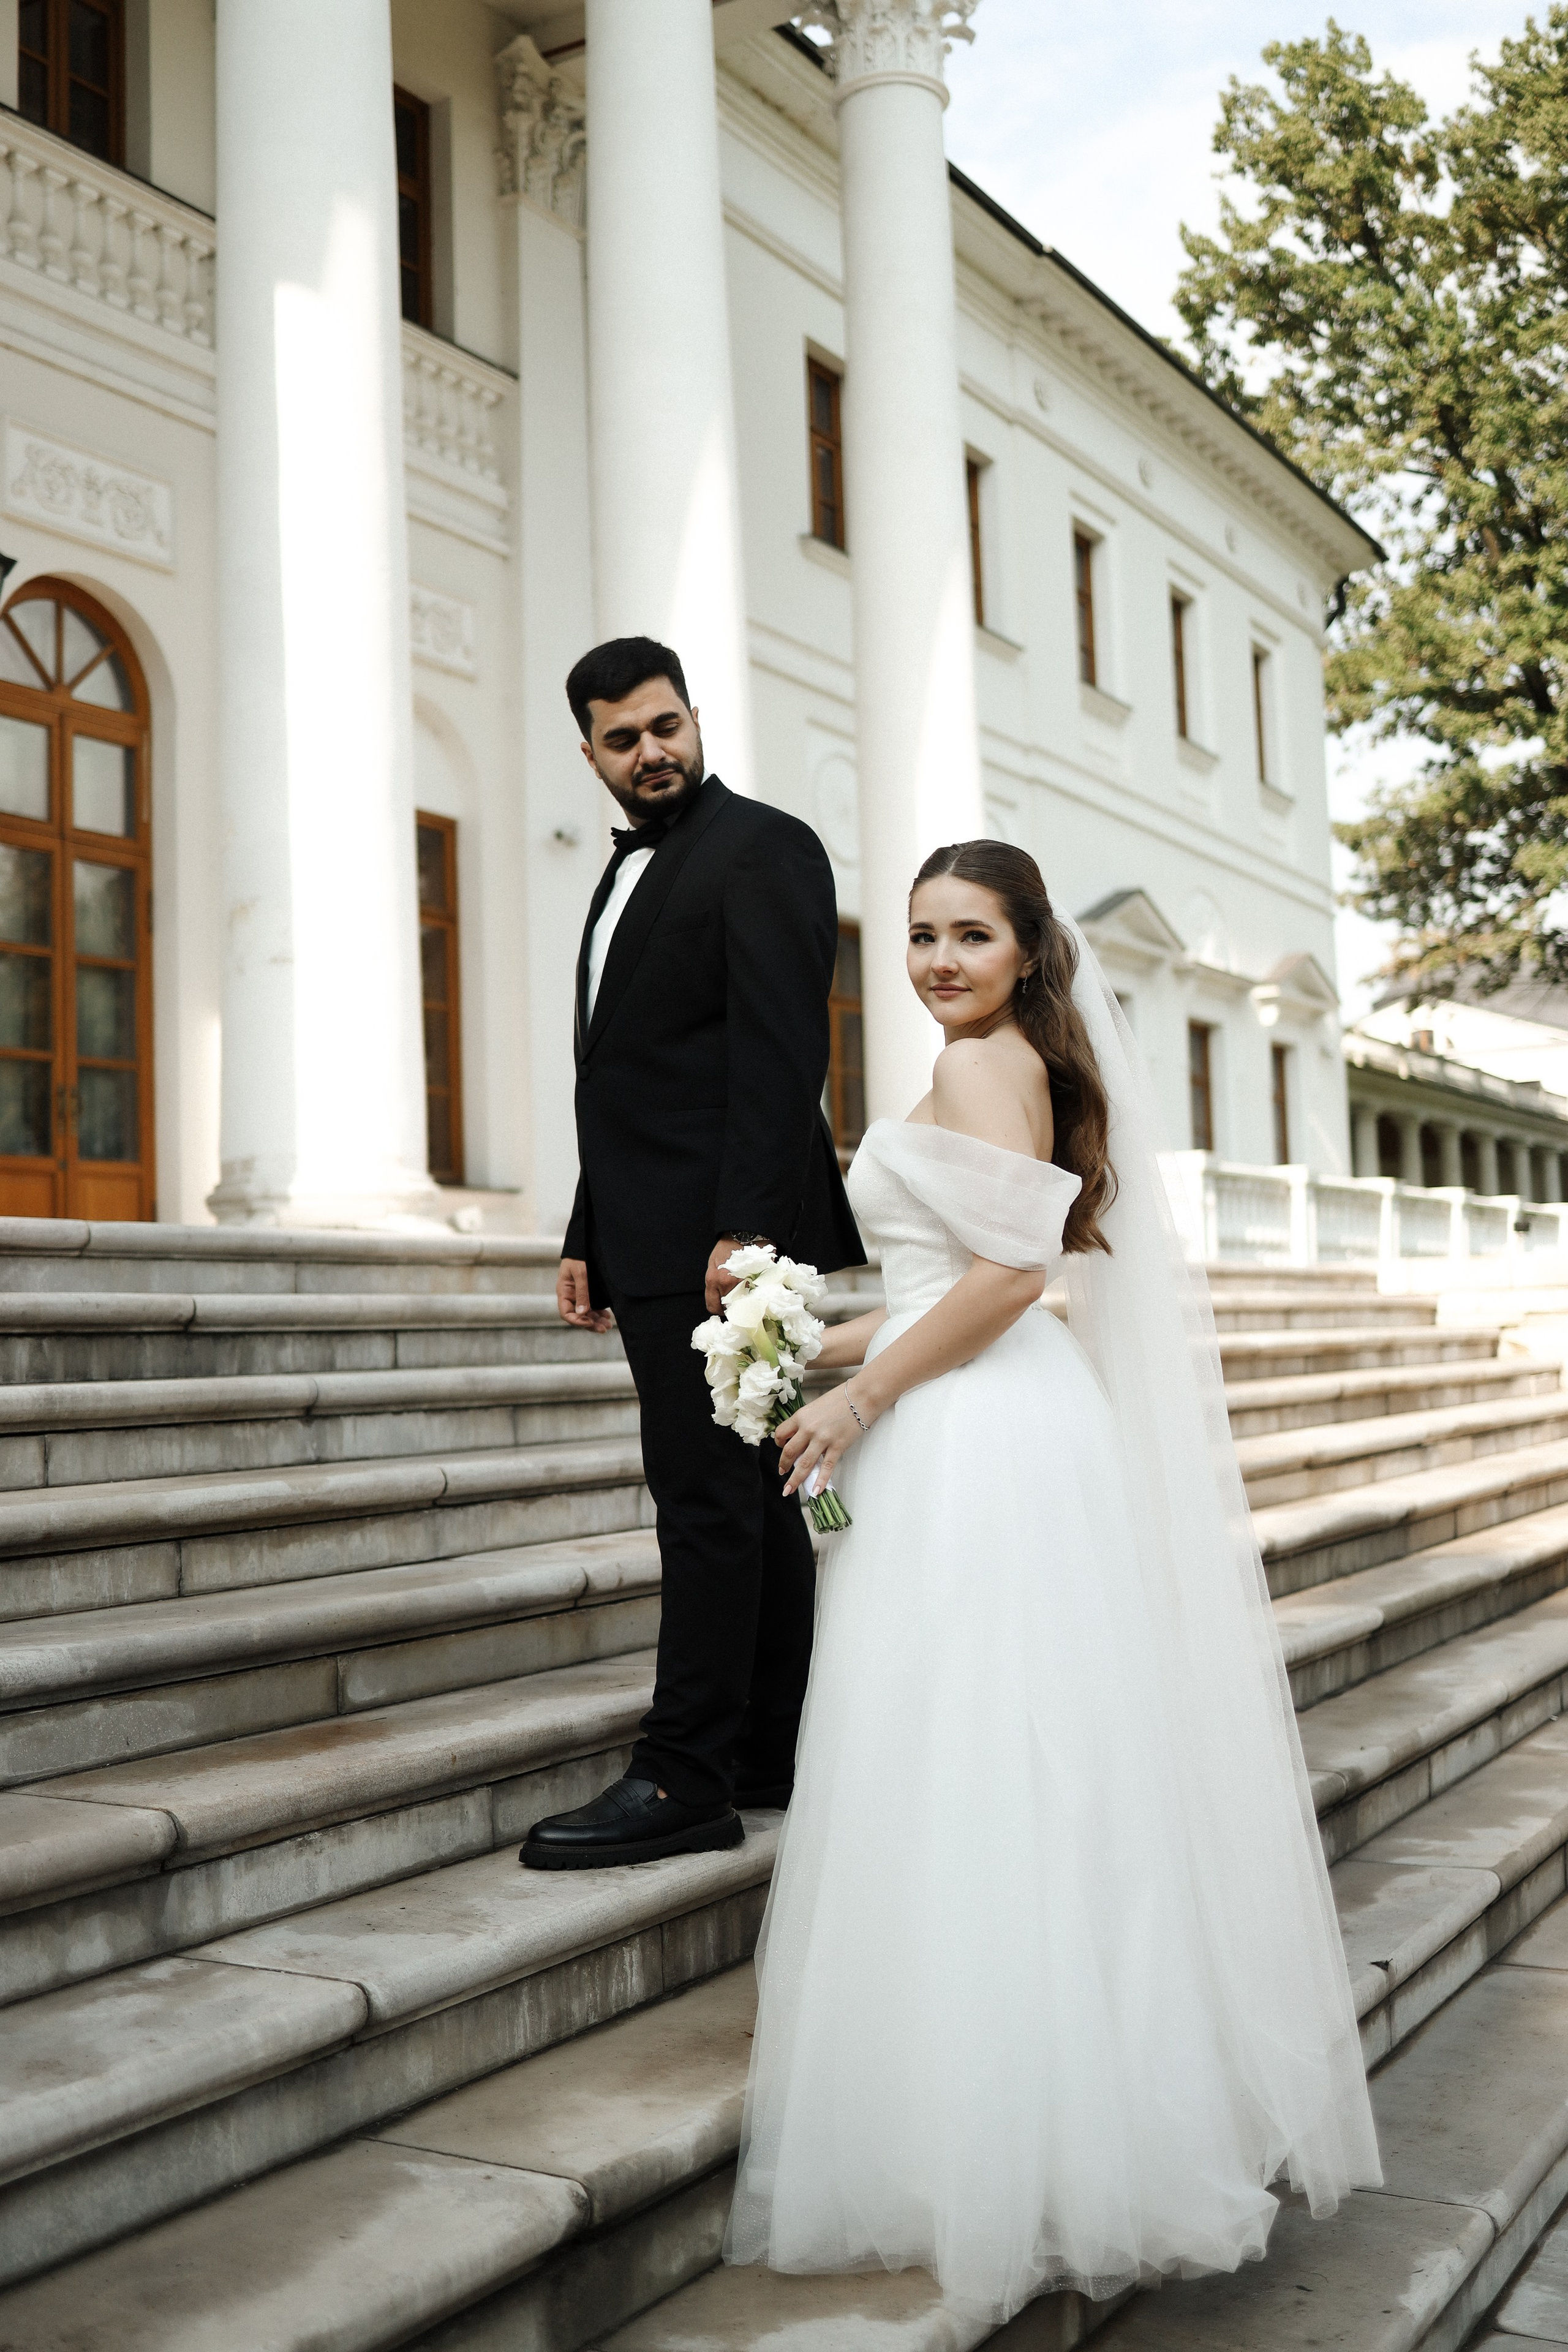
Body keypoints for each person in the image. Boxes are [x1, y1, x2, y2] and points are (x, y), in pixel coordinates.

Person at [724, 839, 1380, 2321]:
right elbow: (958, 1287)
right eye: (918, 936)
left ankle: (998, 2145)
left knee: (973, 1760)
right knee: (1027, 1763)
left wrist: (856, 1399)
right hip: (1003, 1416)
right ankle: (1062, 2119)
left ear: (1026, 947)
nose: (939, 960)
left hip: (971, 1445)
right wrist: (779, 1342)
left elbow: (1011, 1281)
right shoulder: (1010, 1059)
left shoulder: (974, 1069)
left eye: (969, 934)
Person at [521, 636, 862, 1872]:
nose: (651, 752)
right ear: (590, 753)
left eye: (665, 727)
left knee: (705, 1504)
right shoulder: (627, 873)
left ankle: (683, 1779)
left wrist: (743, 1234)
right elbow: (632, 1072)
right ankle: (765, 1748)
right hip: (657, 1229)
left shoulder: (761, 845)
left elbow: (779, 1059)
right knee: (753, 1498)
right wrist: (586, 1231)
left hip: (726, 1245)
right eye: (623, 739)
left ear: (692, 719)